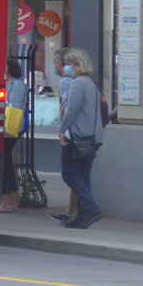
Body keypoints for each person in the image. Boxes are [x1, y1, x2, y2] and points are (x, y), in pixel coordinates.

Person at [57, 47, 104, 229]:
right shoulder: (91, 83)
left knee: (69, 174)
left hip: (78, 136)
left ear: (77, 65)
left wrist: (62, 130)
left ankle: (90, 208)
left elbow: (71, 111)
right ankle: (83, 215)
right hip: (94, 136)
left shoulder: (77, 84)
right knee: (83, 176)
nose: (66, 67)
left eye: (68, 64)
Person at [0, 57, 28, 213]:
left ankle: (7, 202)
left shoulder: (17, 85)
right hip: (2, 126)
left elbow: (14, 107)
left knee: (4, 162)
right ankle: (10, 201)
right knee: (5, 162)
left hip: (10, 128)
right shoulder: (5, 83)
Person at [49, 48, 80, 223]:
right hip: (83, 132)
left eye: (55, 63)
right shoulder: (83, 81)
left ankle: (84, 207)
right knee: (78, 173)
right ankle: (75, 209)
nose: (55, 66)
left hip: (71, 133)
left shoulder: (65, 83)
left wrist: (62, 130)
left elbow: (67, 108)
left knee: (69, 174)